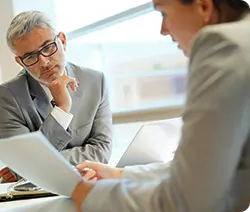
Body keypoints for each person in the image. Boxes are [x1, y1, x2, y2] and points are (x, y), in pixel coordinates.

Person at [72, 0, 250, 211]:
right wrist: (120, 174)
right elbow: (204, 170)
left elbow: (186, 200)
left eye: (163, 13)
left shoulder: (225, 45)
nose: (163, 30)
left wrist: (91, 196)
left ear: (204, 7)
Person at [0, 11, 112, 183]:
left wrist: (32, 165)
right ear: (20, 62)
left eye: (48, 47)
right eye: (30, 56)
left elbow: (102, 151)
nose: (43, 61)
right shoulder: (9, 96)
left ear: (62, 41)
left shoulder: (96, 81)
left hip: (90, 185)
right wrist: (62, 110)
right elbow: (24, 166)